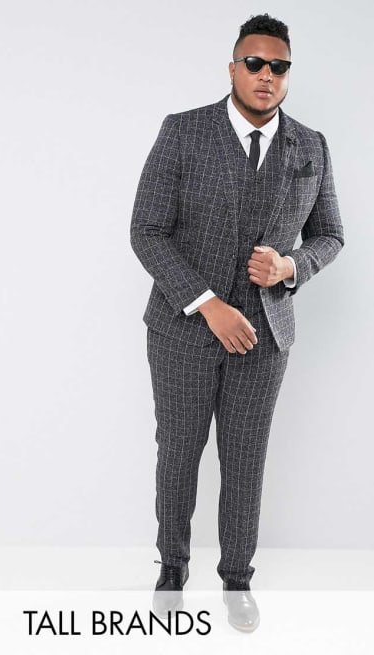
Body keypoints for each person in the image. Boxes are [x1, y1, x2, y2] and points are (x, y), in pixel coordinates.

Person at [129, 13, 344, 632]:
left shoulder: (311, 146)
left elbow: (330, 235)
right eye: (254, 63)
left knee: (246, 459)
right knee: (178, 453)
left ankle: (237, 579)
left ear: (287, 75)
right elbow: (147, 231)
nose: (266, 75)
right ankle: (172, 570)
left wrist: (291, 265)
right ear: (232, 68)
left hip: (265, 334)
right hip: (183, 328)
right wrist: (207, 303)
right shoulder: (183, 131)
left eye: (279, 66)